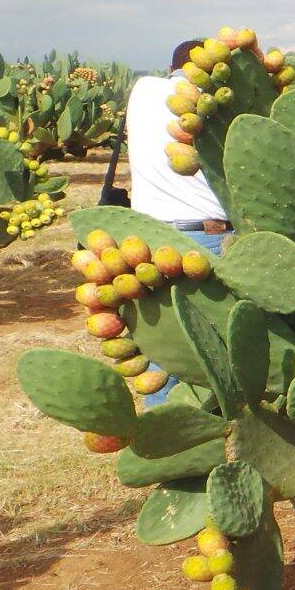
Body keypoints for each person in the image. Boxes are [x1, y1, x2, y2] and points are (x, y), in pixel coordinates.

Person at [124, 40, 231, 402]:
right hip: (206, 237)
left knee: (165, 344)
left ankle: (169, 437)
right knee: (218, 347)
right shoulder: (208, 100)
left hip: (146, 239)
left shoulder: (141, 92)